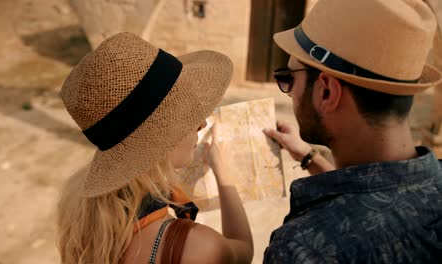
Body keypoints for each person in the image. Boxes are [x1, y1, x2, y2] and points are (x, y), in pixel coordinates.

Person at [262, 0, 442, 262]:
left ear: (326, 92)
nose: (289, 93)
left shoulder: (303, 249)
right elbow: (376, 195)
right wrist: (309, 157)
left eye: (288, 78)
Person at [56, 32, 253, 264]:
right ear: (163, 138)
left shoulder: (84, 214)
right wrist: (226, 178)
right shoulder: (197, 248)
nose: (202, 123)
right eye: (188, 117)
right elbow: (244, 251)